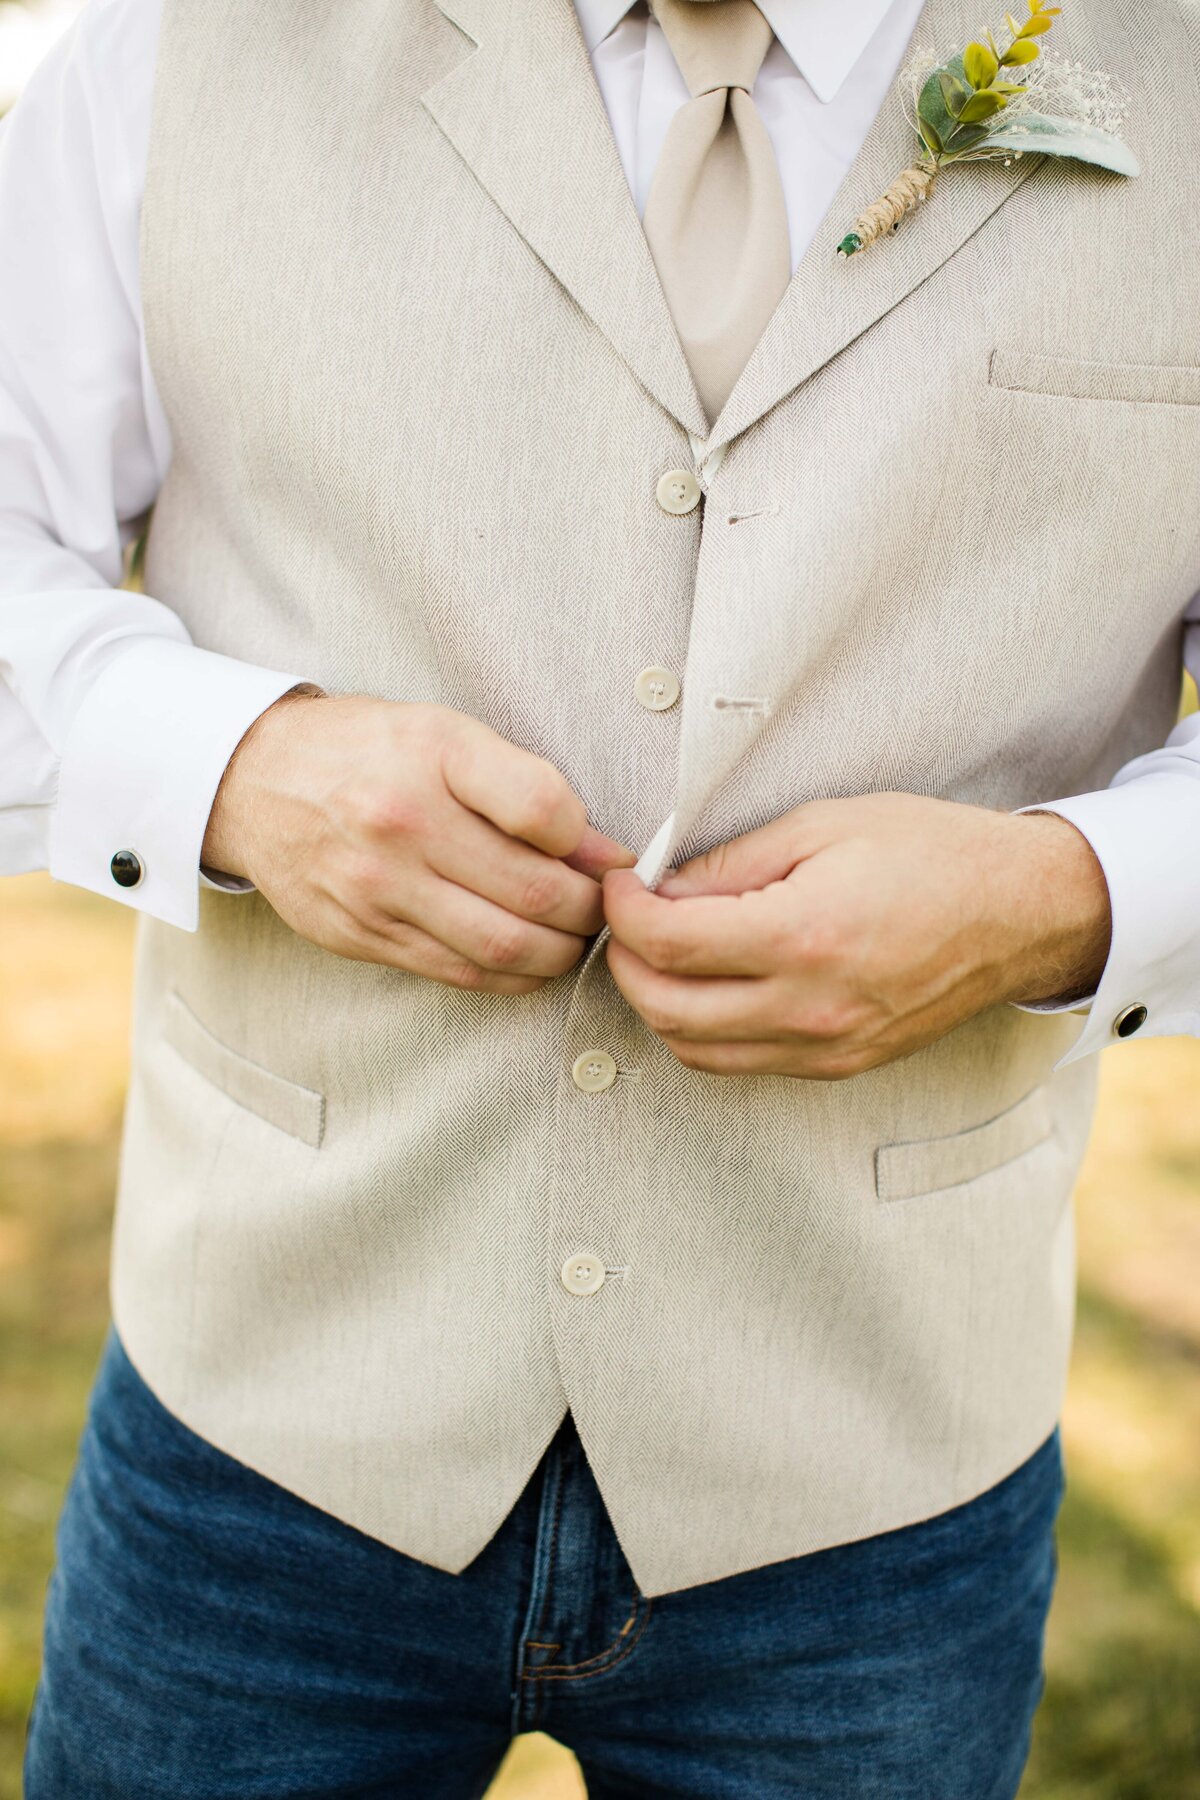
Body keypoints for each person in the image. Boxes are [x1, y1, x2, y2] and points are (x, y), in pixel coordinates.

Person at [2, 0, 1198, 1793]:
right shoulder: (178, 50)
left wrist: (1063, 894)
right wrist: (231, 768)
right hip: (262, 1442)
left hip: (878, 1481)